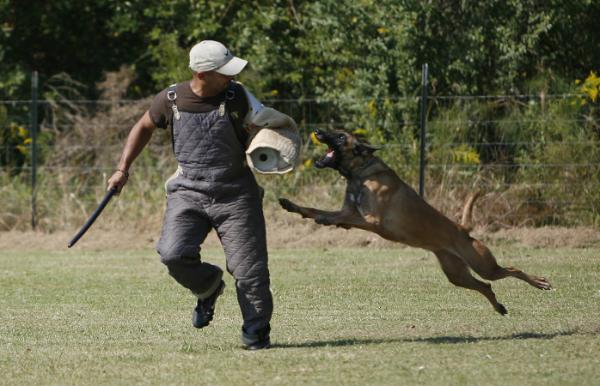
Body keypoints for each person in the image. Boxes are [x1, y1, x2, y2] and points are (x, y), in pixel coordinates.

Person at [107, 40, 293, 350]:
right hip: (188, 192)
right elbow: (143, 126)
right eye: (224, 73)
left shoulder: (238, 96)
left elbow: (269, 123)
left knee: (250, 270)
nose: (231, 78)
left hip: (236, 194)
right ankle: (207, 286)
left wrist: (271, 145)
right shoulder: (171, 99)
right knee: (172, 253)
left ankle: (256, 333)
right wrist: (122, 169)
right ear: (202, 74)